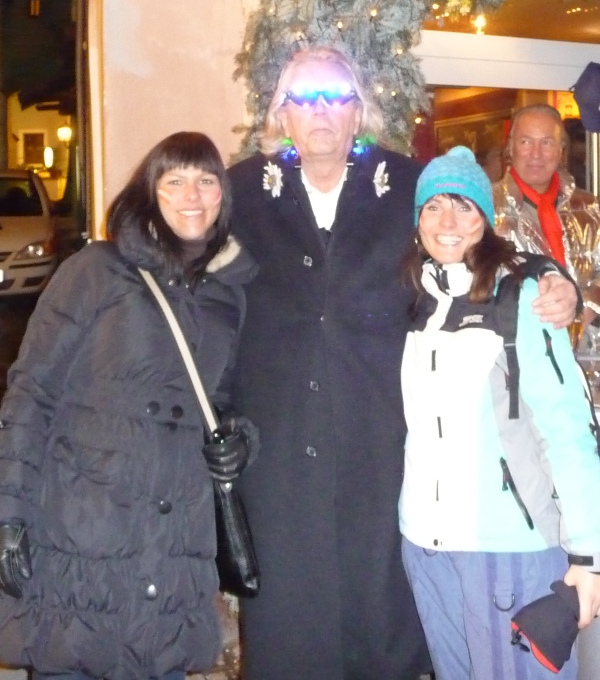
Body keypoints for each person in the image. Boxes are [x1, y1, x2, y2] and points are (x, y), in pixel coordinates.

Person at [227, 46, 578, 680]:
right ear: (281, 114)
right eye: (304, 98)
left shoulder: (403, 184)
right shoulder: (242, 191)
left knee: (383, 629)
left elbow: (473, 235)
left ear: (358, 110)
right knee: (290, 631)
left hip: (385, 454)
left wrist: (551, 274)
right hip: (280, 461)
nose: (321, 111)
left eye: (337, 96)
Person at [0, 131, 258, 680]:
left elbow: (227, 401)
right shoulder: (96, 270)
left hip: (172, 543)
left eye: (206, 180)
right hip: (83, 532)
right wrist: (8, 512)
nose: (192, 195)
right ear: (149, 191)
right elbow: (32, 392)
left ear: (223, 195)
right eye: (175, 180)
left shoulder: (229, 295)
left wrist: (240, 441)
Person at [399, 146, 600, 680]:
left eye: (463, 206)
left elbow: (568, 428)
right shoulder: (415, 302)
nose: (447, 222)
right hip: (427, 548)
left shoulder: (522, 298)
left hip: (509, 548)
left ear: (485, 220)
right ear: (417, 220)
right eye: (433, 206)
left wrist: (589, 554)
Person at [494, 103, 600, 340]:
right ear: (510, 147)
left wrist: (588, 307)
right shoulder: (485, 208)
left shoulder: (590, 208)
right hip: (516, 348)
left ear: (561, 150)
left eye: (547, 143)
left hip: (587, 349)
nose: (536, 154)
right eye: (526, 142)